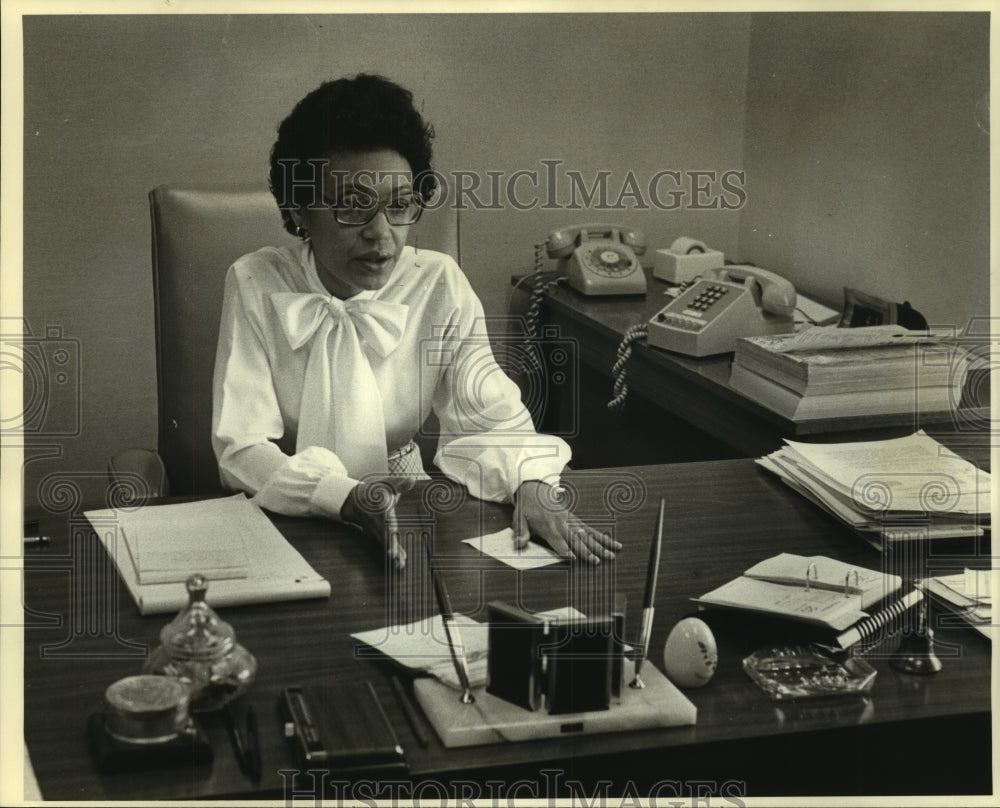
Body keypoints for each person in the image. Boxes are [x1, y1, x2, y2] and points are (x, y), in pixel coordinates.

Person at [212, 73, 619, 570]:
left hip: (407, 506)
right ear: (299, 211)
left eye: (400, 205)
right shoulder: (255, 281)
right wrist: (343, 496)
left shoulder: (438, 283)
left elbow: (489, 418)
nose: (381, 235)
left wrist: (531, 484)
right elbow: (242, 447)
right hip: (290, 511)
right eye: (352, 206)